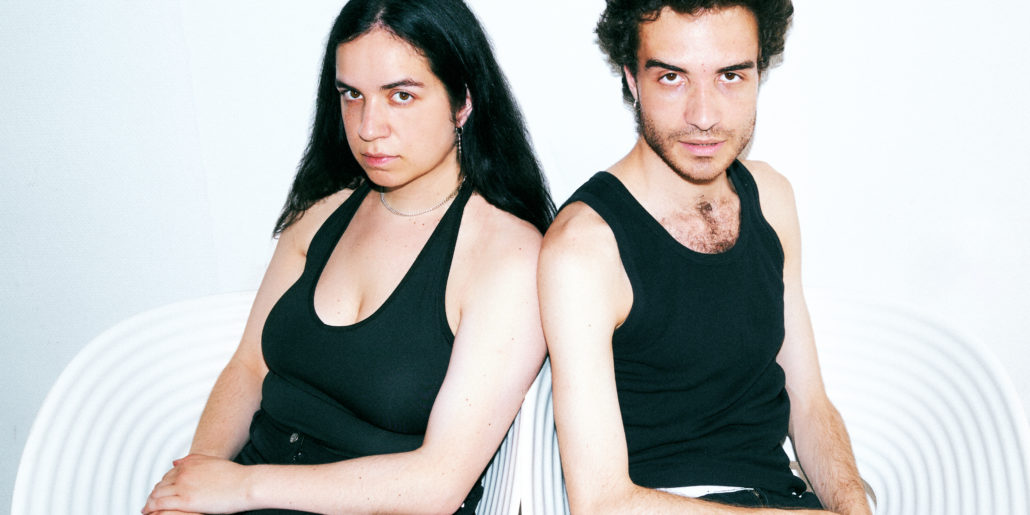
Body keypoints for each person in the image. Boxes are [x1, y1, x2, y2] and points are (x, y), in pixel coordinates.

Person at [143, 0, 553, 513]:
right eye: (351, 94)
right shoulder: (319, 215)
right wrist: (192, 485)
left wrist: (240, 487)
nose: (368, 127)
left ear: (463, 102)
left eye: (401, 95)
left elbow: (439, 482)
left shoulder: (509, 257)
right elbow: (249, 367)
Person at [537, 1, 871, 513]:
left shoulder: (770, 197)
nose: (704, 116)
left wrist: (853, 508)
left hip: (783, 499)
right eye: (672, 77)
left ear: (759, 72)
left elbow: (808, 405)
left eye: (730, 76)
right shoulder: (585, 249)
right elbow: (602, 502)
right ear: (631, 79)